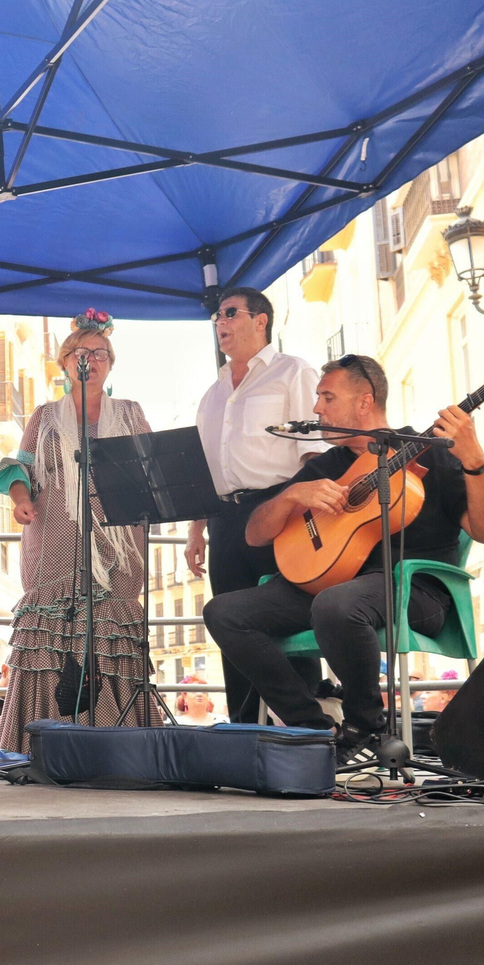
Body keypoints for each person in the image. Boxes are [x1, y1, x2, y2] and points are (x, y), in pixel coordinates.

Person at [203, 354, 484, 759]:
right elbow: (255, 535)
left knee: (337, 603)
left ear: (364, 403)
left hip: (415, 590)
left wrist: (475, 461)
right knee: (224, 611)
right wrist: (292, 496)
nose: (316, 408)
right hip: (333, 587)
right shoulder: (328, 465)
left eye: (327, 397)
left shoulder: (431, 452)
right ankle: (311, 726)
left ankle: (365, 724)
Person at [0, 310, 156, 752]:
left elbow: (155, 470)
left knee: (109, 627)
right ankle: (44, 746)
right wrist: (22, 499)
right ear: (65, 363)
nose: (92, 361)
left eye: (101, 354)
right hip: (54, 535)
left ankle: (118, 746)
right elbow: (19, 469)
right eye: (82, 353)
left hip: (118, 539)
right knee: (55, 628)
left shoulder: (131, 413)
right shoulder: (44, 417)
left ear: (111, 364)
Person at [185, 286, 322, 724]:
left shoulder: (293, 372)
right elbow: (204, 469)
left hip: (282, 509)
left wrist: (302, 515)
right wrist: (195, 530)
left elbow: (314, 452)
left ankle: (306, 729)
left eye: (229, 314)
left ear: (260, 320)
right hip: (225, 519)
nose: (220, 323)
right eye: (215, 318)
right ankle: (245, 728)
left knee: (288, 620)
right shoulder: (212, 394)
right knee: (229, 624)